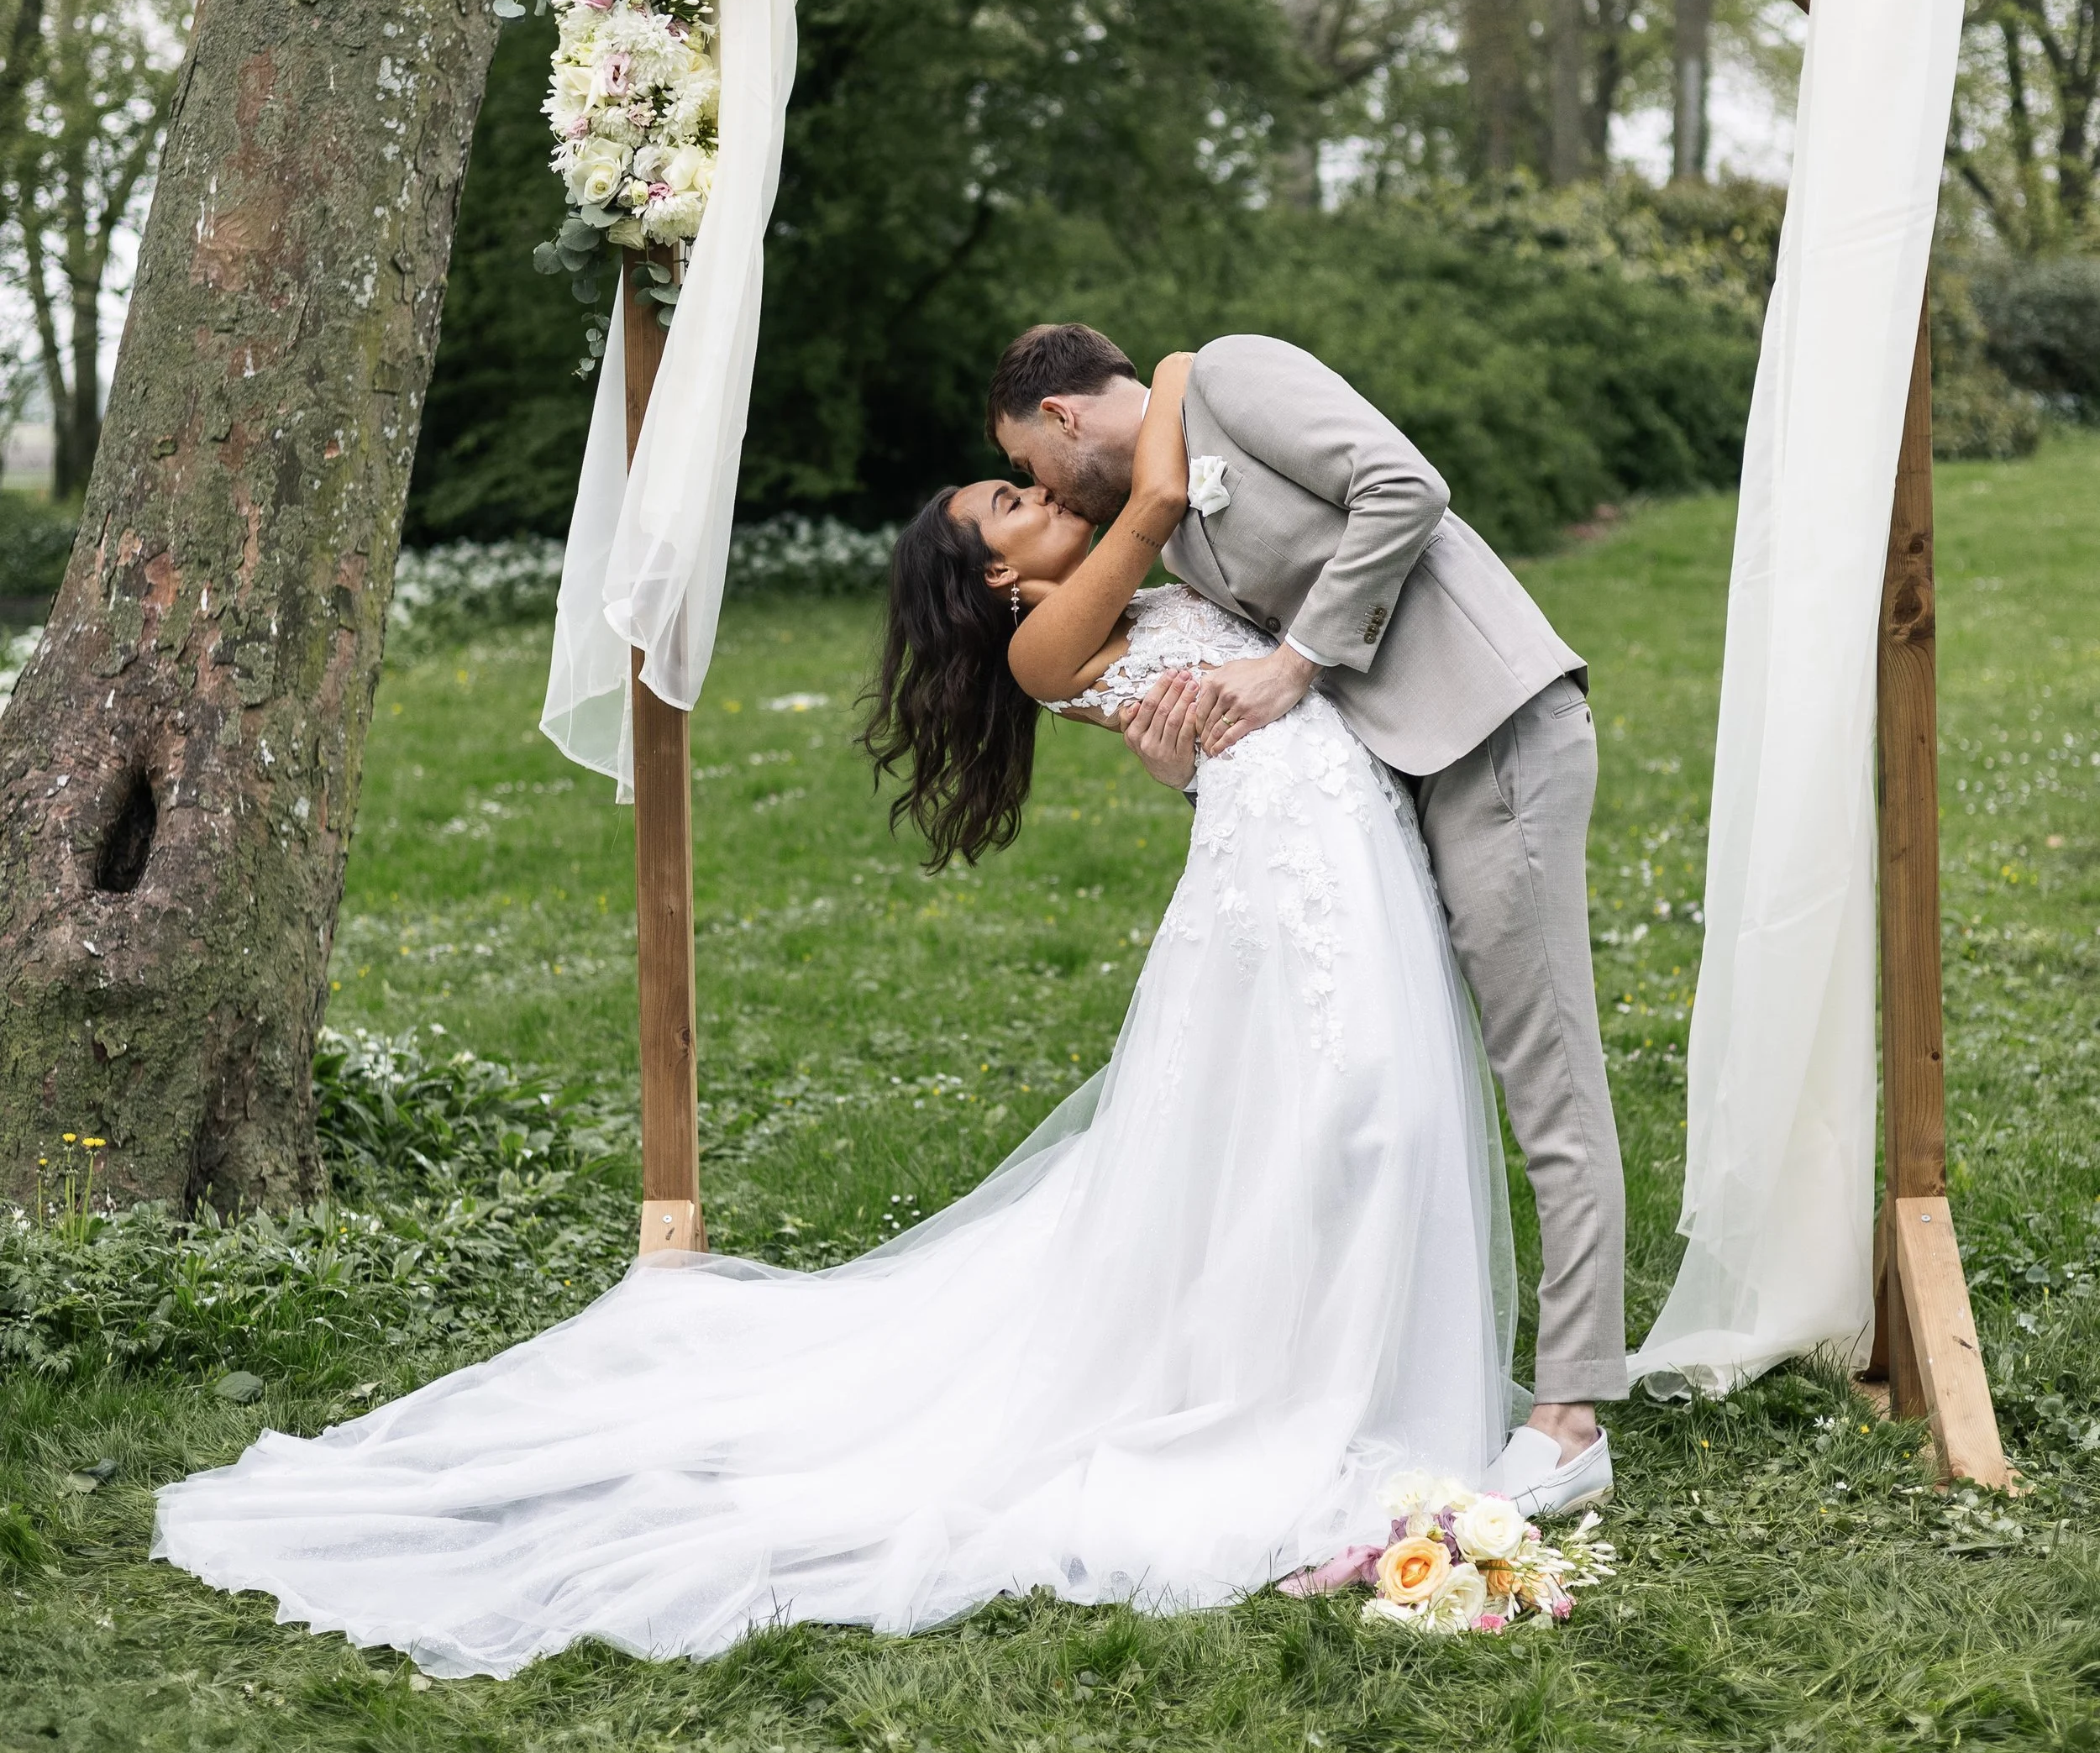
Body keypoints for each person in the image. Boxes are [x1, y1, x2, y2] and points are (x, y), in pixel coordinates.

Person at [152, 356, 1516, 1677]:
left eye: (1025, 484)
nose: (1039, 497)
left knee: (1348, 1108)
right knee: (1343, 1104)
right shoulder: (1049, 641)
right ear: (996, 576)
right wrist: (1165, 366)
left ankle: (1343, 1354)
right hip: (1281, 861)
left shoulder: (1118, 598)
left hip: (1311, 834)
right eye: (1014, 503)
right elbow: (1157, 496)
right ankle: (1304, 1385)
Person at [988, 323, 1625, 1520]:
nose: (1048, 491)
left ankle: (1571, 1415)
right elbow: (1215, 695)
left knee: (1546, 1074)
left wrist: (1297, 660)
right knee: (1390, 1091)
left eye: (1032, 463)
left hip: (1489, 730)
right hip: (1386, 796)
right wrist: (1185, 755)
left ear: (1063, 419)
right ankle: (1384, 1365)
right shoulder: (1161, 523)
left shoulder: (1228, 376)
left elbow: (1405, 487)